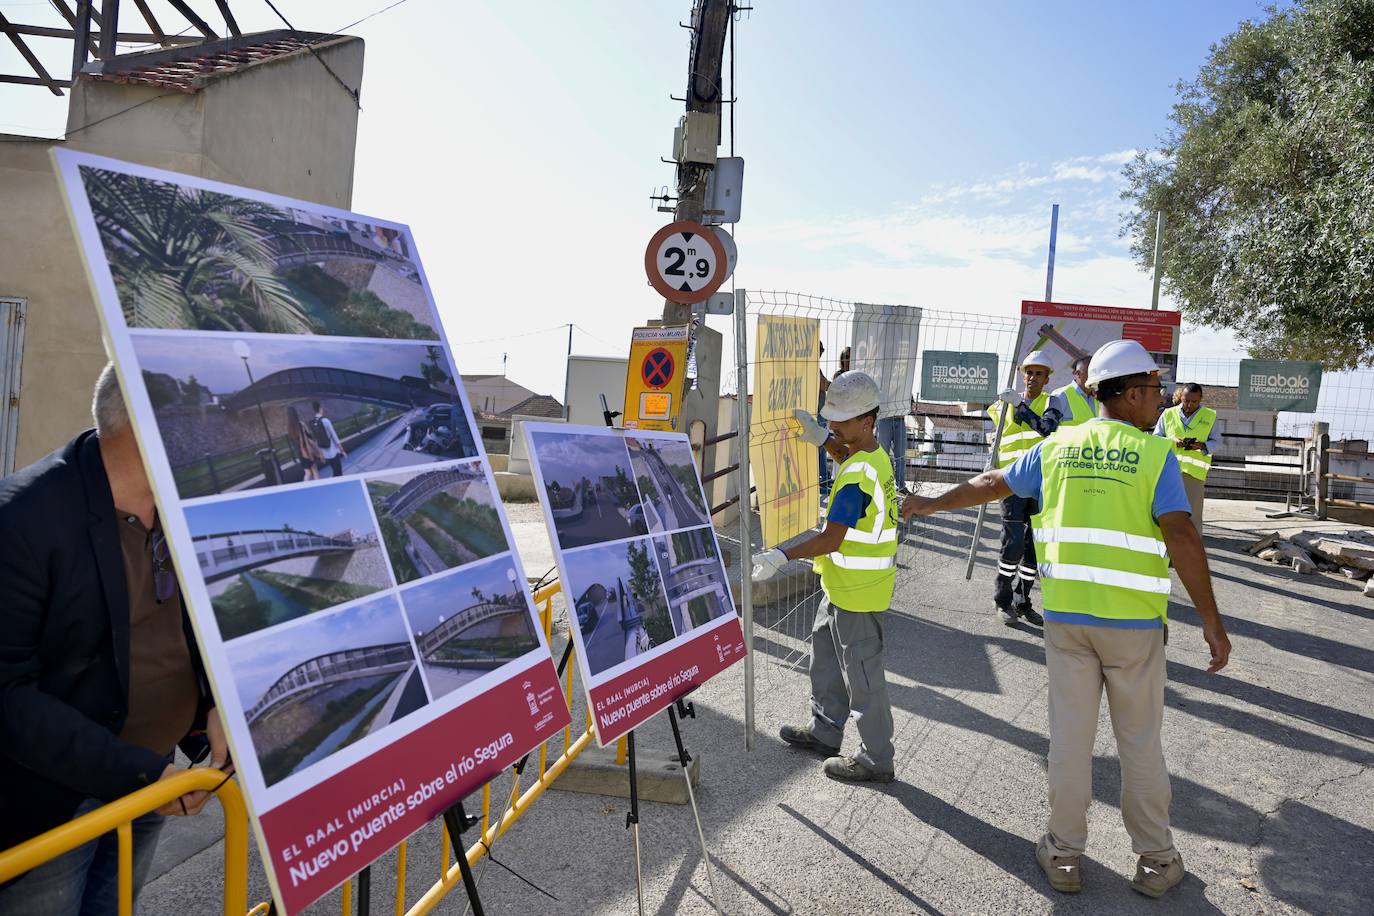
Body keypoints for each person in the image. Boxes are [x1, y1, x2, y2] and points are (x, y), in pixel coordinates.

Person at [902, 339, 1231, 899]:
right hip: (1133, 629)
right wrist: (1211, 621)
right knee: (1140, 743)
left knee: (1071, 742)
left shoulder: (1057, 448)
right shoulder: (1155, 456)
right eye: (1154, 390)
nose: (1161, 400)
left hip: (1068, 623)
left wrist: (925, 504)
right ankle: (1155, 861)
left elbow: (990, 484)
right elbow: (1181, 534)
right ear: (1128, 395)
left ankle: (1062, 855)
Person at [0, 363, 230, 914]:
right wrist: (144, 775)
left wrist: (213, 708)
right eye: (195, 419)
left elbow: (195, 627)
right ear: (145, 428)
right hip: (55, 804)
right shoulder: (22, 521)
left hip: (154, 783)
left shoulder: (182, 509)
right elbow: (6, 694)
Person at [752, 371, 898, 783]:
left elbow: (832, 538)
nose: (834, 426)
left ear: (867, 420)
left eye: (842, 421)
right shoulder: (871, 456)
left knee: (864, 678)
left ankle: (876, 758)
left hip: (858, 593)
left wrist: (782, 554)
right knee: (826, 659)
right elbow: (849, 455)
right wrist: (823, 440)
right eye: (831, 419)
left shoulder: (858, 476)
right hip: (841, 587)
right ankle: (825, 731)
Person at [986, 350, 1062, 626]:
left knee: (1034, 547)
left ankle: (1023, 600)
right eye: (1029, 372)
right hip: (1010, 482)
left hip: (1041, 482)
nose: (1033, 378)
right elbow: (996, 439)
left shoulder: (1052, 402)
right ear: (1021, 373)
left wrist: (1019, 404)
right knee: (1013, 541)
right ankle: (1002, 600)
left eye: (1039, 373)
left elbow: (1047, 430)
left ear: (1047, 377)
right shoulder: (1001, 405)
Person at [1155, 383, 1219, 538]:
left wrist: (1201, 445)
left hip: (1194, 476)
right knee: (1165, 511)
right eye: (1186, 401)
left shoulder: (1210, 416)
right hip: (1168, 472)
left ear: (1200, 399)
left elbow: (1217, 442)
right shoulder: (1168, 414)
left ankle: (1192, 552)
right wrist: (1172, 442)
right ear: (1180, 398)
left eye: (1194, 402)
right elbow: (1156, 439)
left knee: (1194, 515)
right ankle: (1164, 549)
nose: (1189, 405)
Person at [1049, 355, 1097, 427]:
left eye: (1096, 372)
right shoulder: (1060, 396)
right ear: (1078, 374)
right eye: (1090, 372)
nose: (1094, 376)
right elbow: (1050, 428)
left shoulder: (1100, 397)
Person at [310, 400, 347, 477]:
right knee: (338, 471)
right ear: (320, 408)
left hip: (324, 451)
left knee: (334, 469)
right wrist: (342, 449)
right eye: (322, 408)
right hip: (332, 449)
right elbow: (334, 436)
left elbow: (316, 439)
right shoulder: (325, 420)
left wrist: (320, 454)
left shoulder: (313, 422)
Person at [291, 408, 324, 482]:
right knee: (314, 470)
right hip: (307, 450)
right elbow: (308, 436)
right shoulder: (300, 424)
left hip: (300, 452)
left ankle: (305, 487)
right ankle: (320, 487)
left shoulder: (290, 428)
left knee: (308, 472)